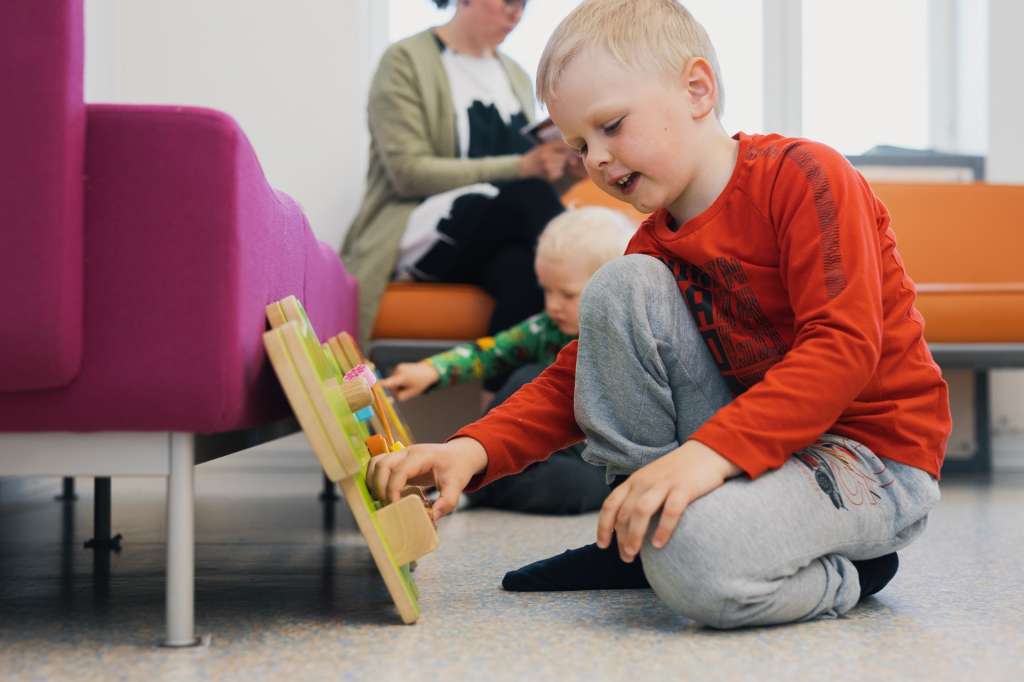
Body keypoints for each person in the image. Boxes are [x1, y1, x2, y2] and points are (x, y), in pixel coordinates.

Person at [366, 0, 951, 628]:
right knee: (620, 285)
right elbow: (577, 376)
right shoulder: (653, 241)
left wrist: (706, 455)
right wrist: (473, 450)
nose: (594, 158)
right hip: (754, 443)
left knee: (693, 559)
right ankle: (634, 529)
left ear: (697, 90)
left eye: (611, 125)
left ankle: (852, 573)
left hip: (870, 456)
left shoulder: (806, 175)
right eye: (579, 144)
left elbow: (842, 348)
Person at [340, 0, 582, 359]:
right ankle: (605, 313)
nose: (517, 13)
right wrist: (523, 168)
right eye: (508, 1)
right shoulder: (405, 60)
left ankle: (498, 403)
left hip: (497, 227)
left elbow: (526, 175)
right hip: (421, 225)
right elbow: (408, 173)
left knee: (520, 269)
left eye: (524, 4)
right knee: (530, 200)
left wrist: (565, 172)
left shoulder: (514, 73)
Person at [382, 206, 635, 515]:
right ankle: (470, 477)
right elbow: (490, 353)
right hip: (532, 443)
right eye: (546, 291)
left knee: (579, 488)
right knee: (529, 375)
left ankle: (476, 490)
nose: (552, 305)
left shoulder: (630, 338)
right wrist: (432, 370)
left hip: (587, 459)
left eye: (567, 295)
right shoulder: (546, 327)